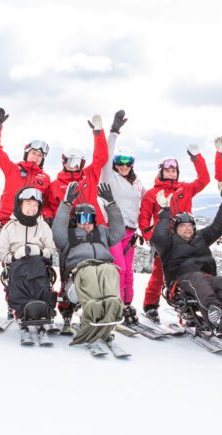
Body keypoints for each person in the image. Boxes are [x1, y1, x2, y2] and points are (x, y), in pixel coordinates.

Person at [151, 181, 222, 330]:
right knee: (198, 279)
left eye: (190, 225)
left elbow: (219, 225)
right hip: (180, 282)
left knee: (220, 281)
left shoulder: (201, 237)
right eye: (183, 226)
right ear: (175, 228)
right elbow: (157, 236)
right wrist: (165, 211)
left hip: (205, 277)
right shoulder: (168, 243)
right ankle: (213, 310)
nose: (188, 228)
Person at [137, 141, 210, 323]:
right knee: (158, 274)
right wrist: (150, 237)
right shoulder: (152, 194)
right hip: (164, 241)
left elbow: (204, 179)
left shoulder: (185, 189)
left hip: (184, 241)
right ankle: (150, 306)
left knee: (186, 273)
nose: (171, 173)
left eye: (174, 171)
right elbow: (144, 219)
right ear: (161, 171)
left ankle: (186, 307)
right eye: (168, 170)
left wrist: (196, 158)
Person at [52, 182, 126, 346]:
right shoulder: (68, 235)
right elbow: (57, 230)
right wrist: (67, 204)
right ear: (75, 220)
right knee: (89, 271)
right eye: (81, 218)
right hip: (78, 278)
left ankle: (112, 308)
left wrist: (111, 204)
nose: (86, 223)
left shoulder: (102, 232)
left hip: (103, 270)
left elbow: (119, 232)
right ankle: (92, 314)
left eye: (90, 218)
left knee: (110, 270)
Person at [99, 110, 147, 323]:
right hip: (114, 230)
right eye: (120, 162)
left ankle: (127, 305)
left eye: (128, 162)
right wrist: (114, 132)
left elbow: (150, 202)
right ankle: (115, 306)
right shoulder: (110, 178)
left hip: (131, 232)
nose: (124, 166)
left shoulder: (137, 183)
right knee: (118, 270)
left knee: (128, 272)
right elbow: (106, 157)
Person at [0, 187, 56, 325]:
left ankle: (42, 308)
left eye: (36, 205)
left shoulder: (42, 226)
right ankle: (22, 310)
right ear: (20, 204)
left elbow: (51, 249)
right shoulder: (10, 227)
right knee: (21, 272)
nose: (32, 208)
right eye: (28, 203)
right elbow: (2, 253)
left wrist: (40, 252)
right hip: (17, 266)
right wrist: (15, 255)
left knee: (39, 273)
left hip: (38, 264)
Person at [0, 107, 51, 226]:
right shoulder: (12, 169)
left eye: (39, 155)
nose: (36, 157)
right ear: (27, 153)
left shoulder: (45, 178)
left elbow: (47, 204)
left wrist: (48, 217)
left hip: (32, 224)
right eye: (33, 153)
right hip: (9, 222)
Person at [43, 115, 109, 224]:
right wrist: (49, 217)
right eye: (71, 162)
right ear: (64, 163)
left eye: (78, 162)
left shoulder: (89, 175)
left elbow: (101, 157)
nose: (74, 166)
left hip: (95, 225)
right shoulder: (55, 185)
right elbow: (47, 206)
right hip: (71, 229)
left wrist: (98, 133)